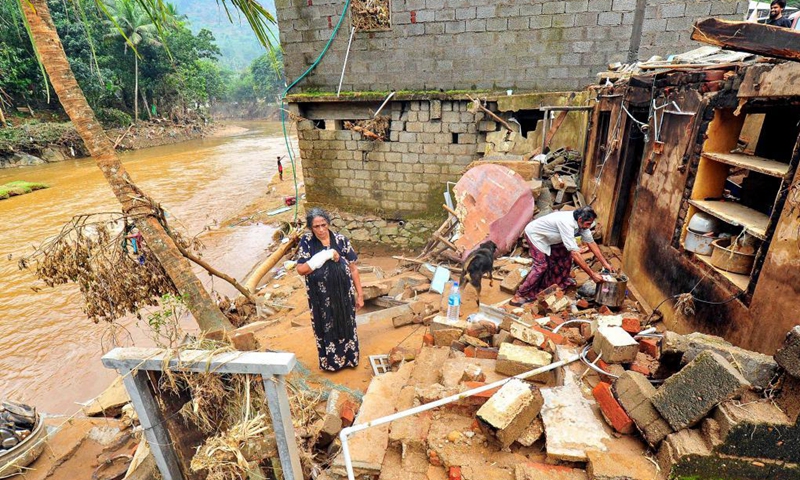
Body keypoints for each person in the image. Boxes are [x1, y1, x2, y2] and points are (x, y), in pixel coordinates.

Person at [296, 208, 364, 371]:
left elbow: (353, 269)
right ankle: (331, 363)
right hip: (320, 299)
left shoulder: (341, 240)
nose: (320, 230)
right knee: (325, 327)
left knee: (346, 323)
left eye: (323, 225)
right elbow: (301, 269)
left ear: (328, 224)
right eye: (316, 226)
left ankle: (350, 359)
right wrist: (324, 256)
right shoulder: (307, 242)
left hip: (343, 296)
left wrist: (360, 294)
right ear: (310, 228)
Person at [511, 206, 615, 306]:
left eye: (590, 224)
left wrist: (605, 264)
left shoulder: (583, 224)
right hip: (536, 236)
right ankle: (519, 295)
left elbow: (591, 243)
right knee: (541, 266)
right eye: (588, 224)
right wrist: (592, 275)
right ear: (579, 219)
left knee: (565, 258)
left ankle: (556, 285)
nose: (588, 227)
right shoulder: (566, 223)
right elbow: (575, 253)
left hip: (553, 237)